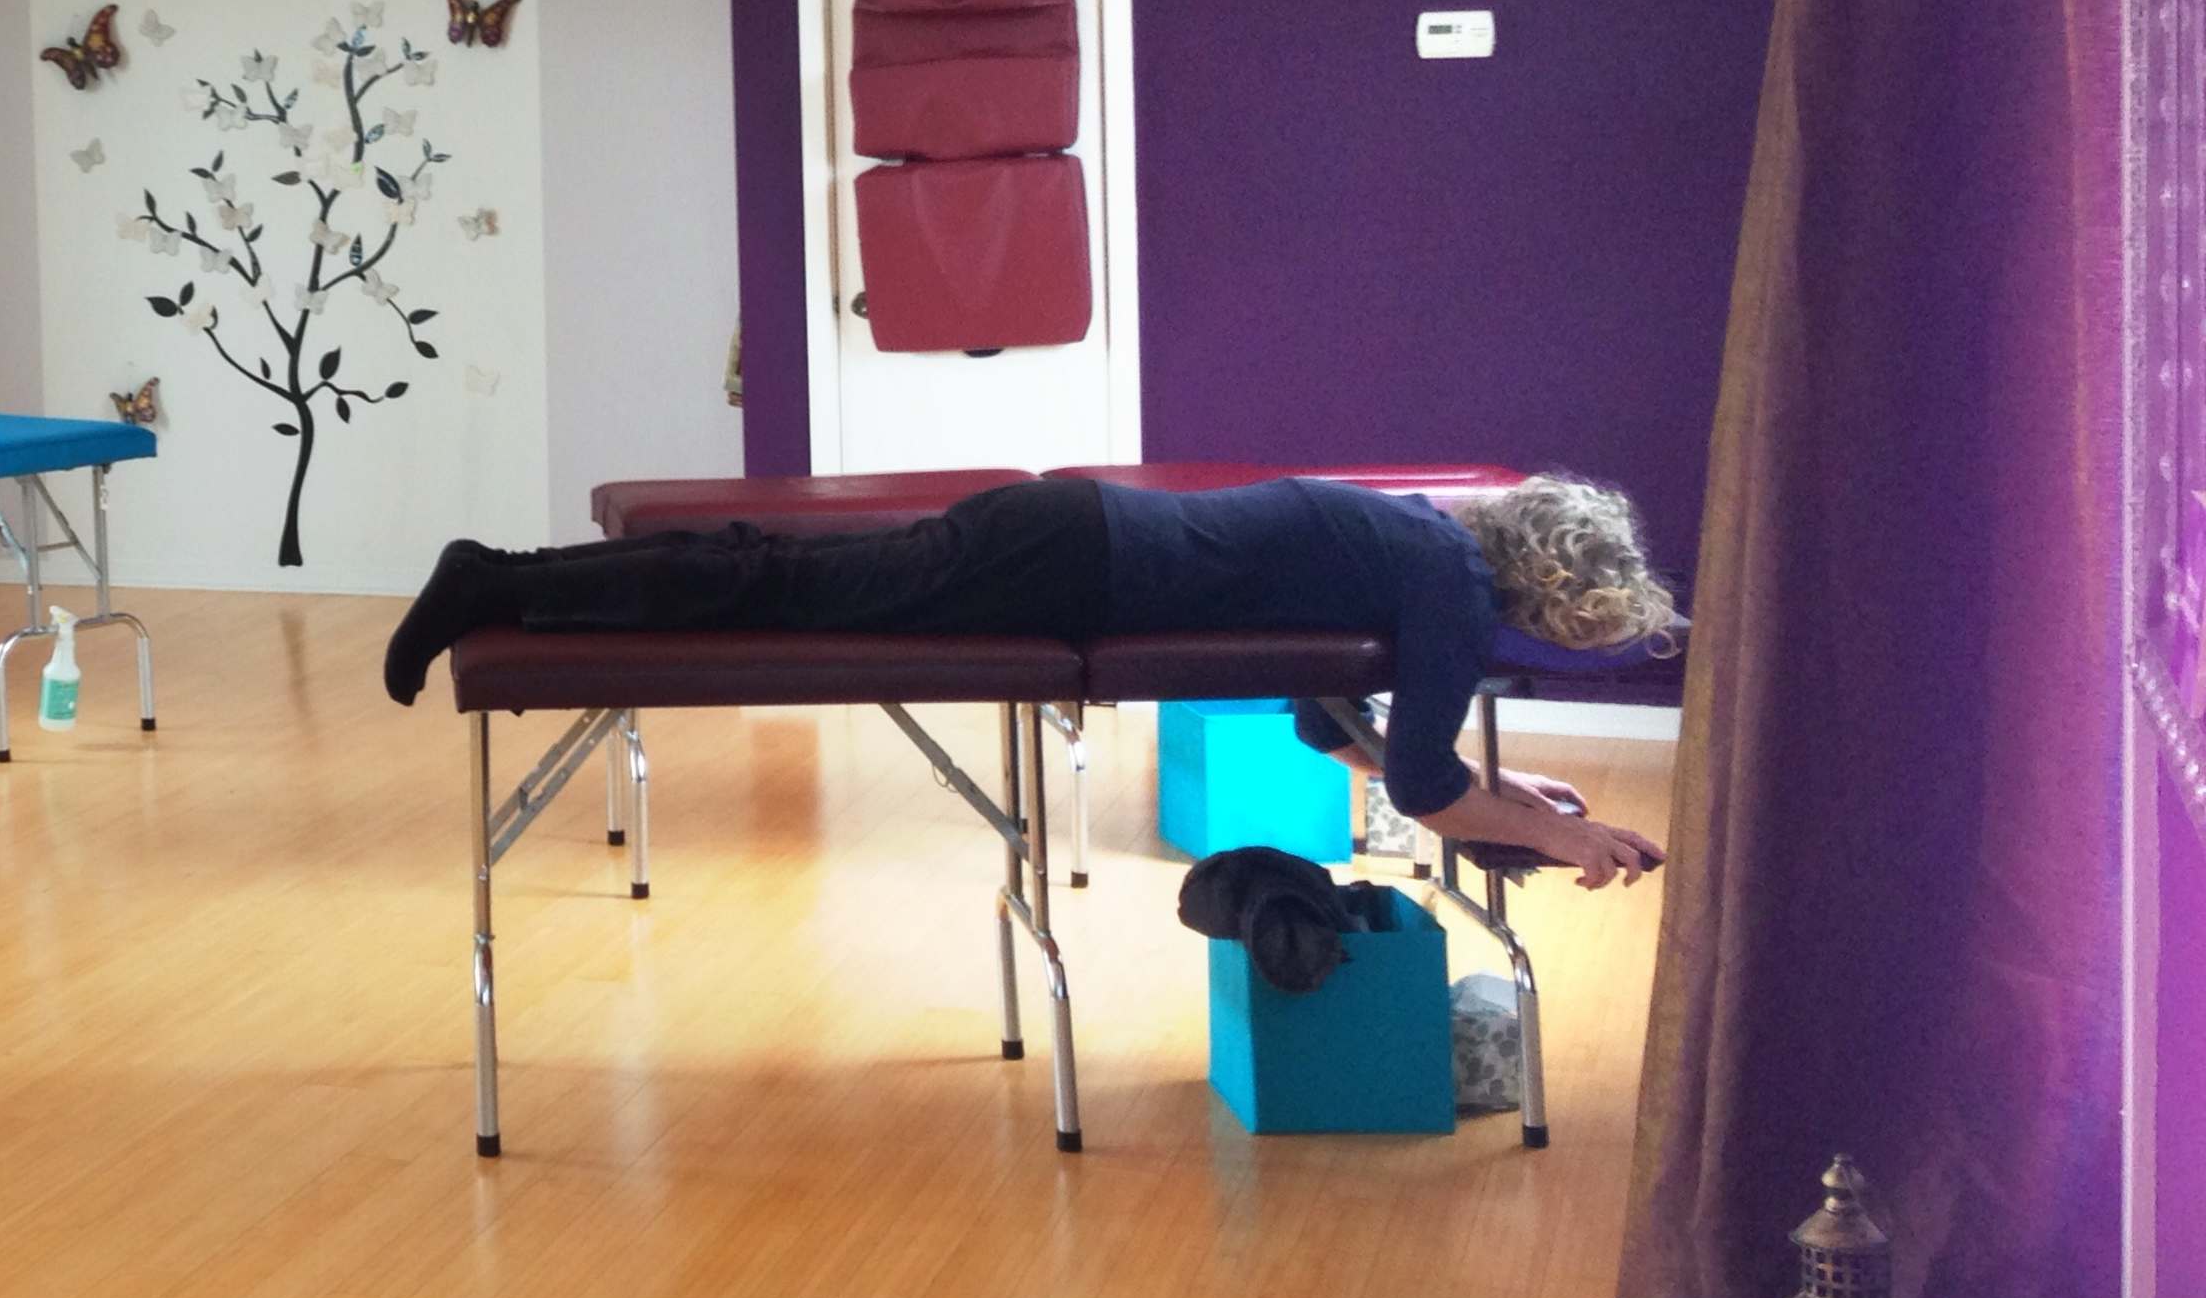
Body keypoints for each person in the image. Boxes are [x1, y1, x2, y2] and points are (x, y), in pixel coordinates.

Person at [380, 471, 1675, 887]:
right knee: (776, 584)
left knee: (782, 571)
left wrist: (1519, 795)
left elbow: (1326, 724)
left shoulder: (1419, 540)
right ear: (1552, 589)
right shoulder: (1450, 588)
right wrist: (1569, 837)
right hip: (1066, 570)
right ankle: (496, 578)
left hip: (1067, 535)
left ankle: (504, 576)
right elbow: (1427, 785)